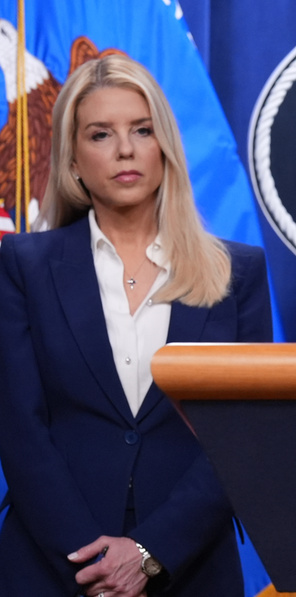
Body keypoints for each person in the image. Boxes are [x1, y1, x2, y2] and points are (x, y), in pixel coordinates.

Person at [0, 54, 273, 596]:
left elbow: (244, 435)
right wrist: (92, 562)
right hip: (52, 568)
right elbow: (19, 431)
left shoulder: (236, 272)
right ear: (72, 159)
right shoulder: (23, 265)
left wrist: (151, 553)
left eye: (142, 130)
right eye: (101, 134)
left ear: (164, 146)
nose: (125, 149)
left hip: (189, 568)